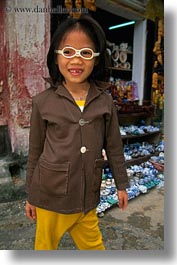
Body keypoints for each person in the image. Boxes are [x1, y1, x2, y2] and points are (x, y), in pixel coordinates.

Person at [25, 14, 129, 250]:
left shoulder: (105, 102)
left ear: (96, 59)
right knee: (44, 249)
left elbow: (114, 147)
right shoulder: (43, 102)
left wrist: (122, 185)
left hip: (86, 197)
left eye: (85, 53)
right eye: (68, 52)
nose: (76, 61)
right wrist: (31, 195)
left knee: (95, 248)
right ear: (56, 56)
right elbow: (35, 151)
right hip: (49, 196)